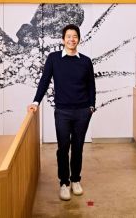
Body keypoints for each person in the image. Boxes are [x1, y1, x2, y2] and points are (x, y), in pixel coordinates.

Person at [28, 24, 96, 201]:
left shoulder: (86, 61)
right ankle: (64, 183)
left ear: (78, 39)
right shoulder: (54, 58)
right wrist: (36, 102)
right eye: (68, 36)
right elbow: (44, 81)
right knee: (63, 148)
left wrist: (91, 106)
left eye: (75, 36)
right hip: (63, 111)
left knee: (78, 147)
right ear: (62, 39)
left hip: (82, 111)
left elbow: (91, 86)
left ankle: (75, 180)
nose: (71, 39)